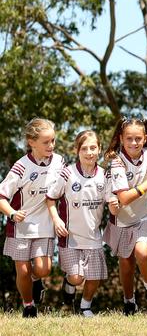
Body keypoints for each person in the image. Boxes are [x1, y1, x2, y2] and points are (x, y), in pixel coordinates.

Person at [103, 117, 147, 315]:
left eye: (138, 138)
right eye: (129, 138)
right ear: (121, 139)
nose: (134, 143)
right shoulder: (117, 162)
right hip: (122, 218)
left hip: (145, 214)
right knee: (126, 262)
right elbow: (123, 197)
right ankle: (129, 302)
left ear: (145, 138)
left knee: (142, 251)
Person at [0, 118, 65, 317]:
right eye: (46, 142)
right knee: (23, 271)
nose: (51, 146)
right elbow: (1, 196)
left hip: (45, 225)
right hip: (21, 226)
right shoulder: (21, 166)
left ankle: (37, 281)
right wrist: (11, 213)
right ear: (31, 142)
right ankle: (29, 306)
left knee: (43, 269)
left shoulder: (60, 161)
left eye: (53, 141)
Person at [46, 130, 113, 317]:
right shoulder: (67, 173)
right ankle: (69, 282)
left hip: (93, 237)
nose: (89, 152)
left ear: (99, 149)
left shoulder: (105, 176)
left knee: (94, 277)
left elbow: (112, 203)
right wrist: (56, 219)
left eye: (93, 148)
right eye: (84, 148)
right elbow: (50, 198)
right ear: (77, 150)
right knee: (77, 278)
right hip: (70, 237)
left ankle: (85, 307)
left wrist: (116, 204)